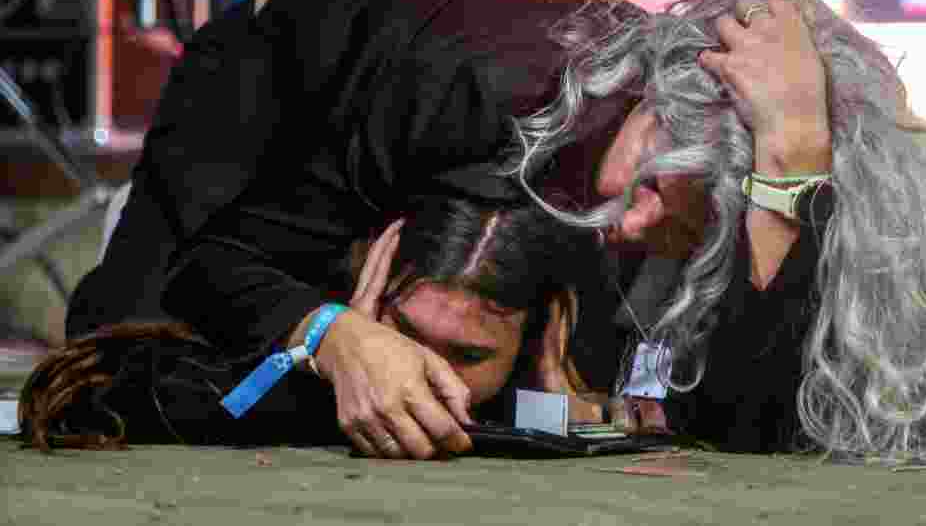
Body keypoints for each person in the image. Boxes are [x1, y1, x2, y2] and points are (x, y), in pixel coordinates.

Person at [65, 0, 926, 460]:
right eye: (649, 179)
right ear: (645, 98)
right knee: (115, 365)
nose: (633, 224)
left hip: (497, 156)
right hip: (281, 76)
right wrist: (334, 334)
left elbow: (754, 425)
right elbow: (210, 266)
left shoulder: (682, 180)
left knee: (462, 387)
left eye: (685, 221)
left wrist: (795, 157)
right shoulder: (478, 99)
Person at [21, 198, 613, 451]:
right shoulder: (300, 295)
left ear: (536, 339)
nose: (423, 372)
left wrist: (558, 403)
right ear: (373, 295)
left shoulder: (576, 351)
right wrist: (328, 357)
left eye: (468, 355)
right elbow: (81, 389)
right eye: (403, 335)